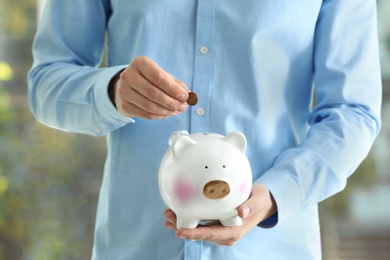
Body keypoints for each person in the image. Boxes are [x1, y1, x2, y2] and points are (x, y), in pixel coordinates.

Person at [27, 0, 382, 259]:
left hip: (271, 249)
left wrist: (277, 194)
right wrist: (112, 91)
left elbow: (352, 112)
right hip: (134, 247)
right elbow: (46, 85)